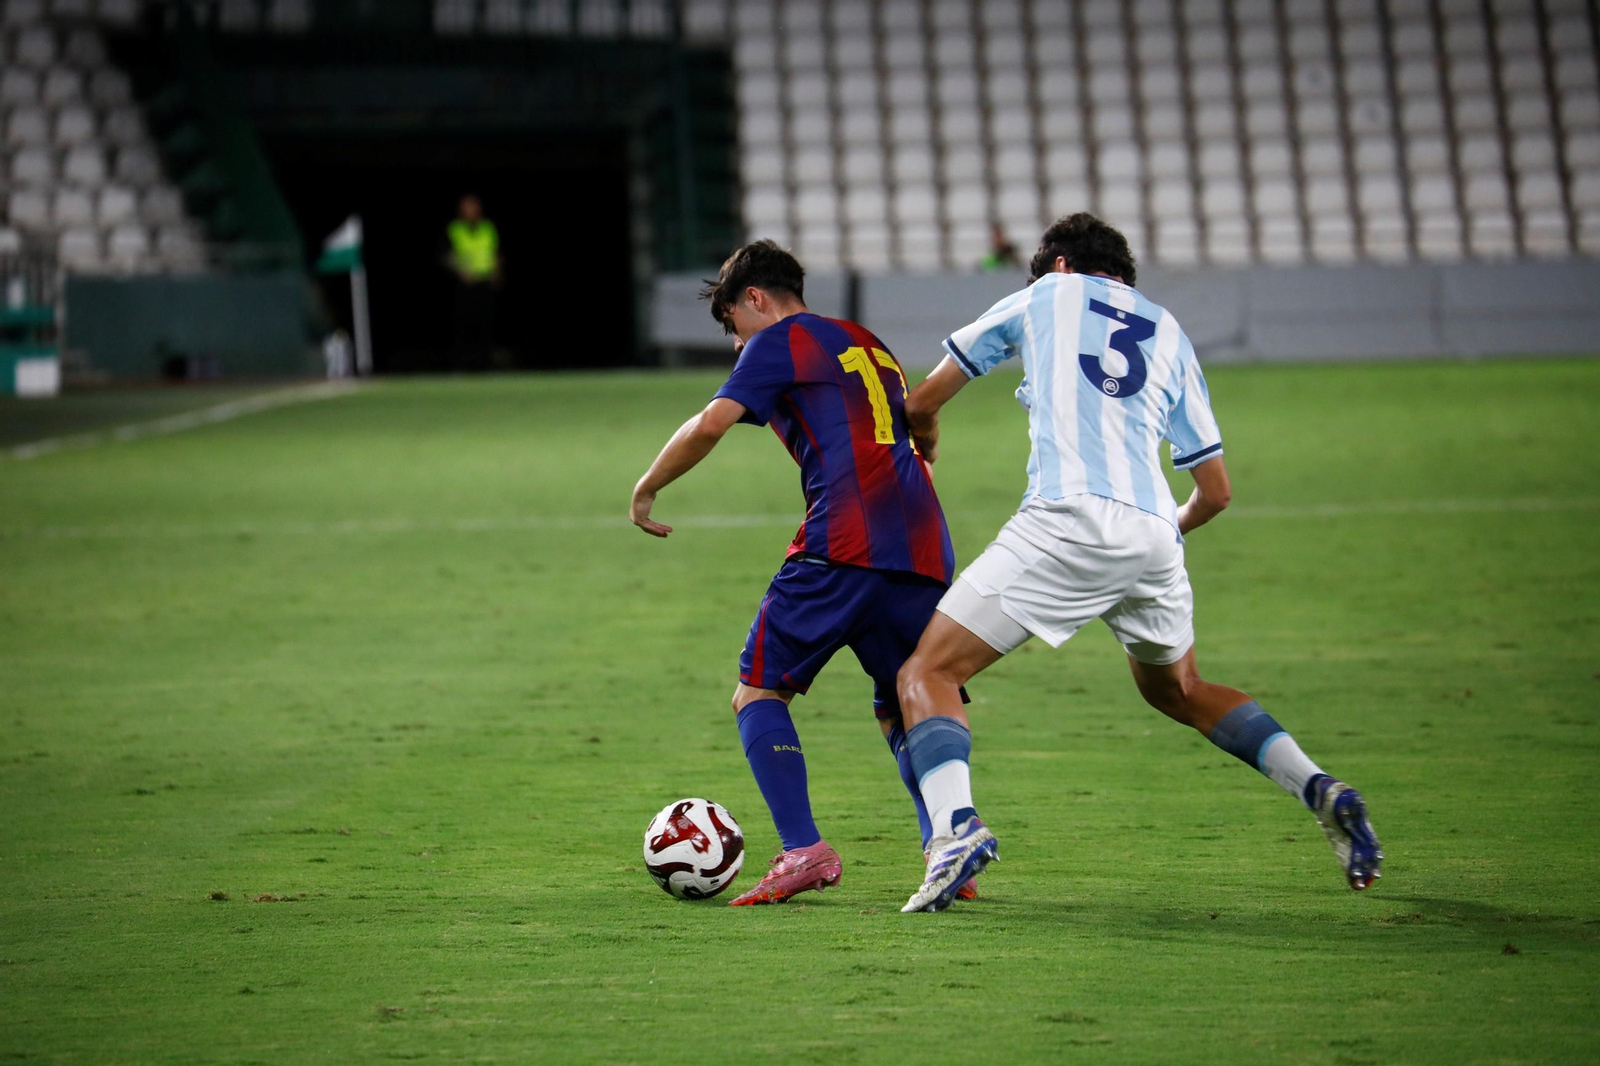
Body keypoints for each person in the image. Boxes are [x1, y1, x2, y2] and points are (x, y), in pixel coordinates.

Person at [892, 213, 1382, 913]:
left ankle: (954, 831)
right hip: (1154, 532)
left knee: (927, 672)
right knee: (1180, 689)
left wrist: (926, 435)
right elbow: (1216, 492)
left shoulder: (1047, 293)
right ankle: (1321, 789)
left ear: (1060, 265)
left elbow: (924, 398)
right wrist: (1156, 536)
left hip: (1068, 518)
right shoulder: (1170, 330)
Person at [629, 239, 977, 906]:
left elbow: (710, 424)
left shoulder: (777, 341)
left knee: (758, 692)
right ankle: (946, 847)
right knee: (907, 696)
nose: (738, 344)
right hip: (923, 543)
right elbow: (917, 420)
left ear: (755, 298)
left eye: (733, 324)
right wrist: (927, 445)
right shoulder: (867, 342)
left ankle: (803, 849)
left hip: (842, 540)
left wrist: (647, 487)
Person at [444, 195, 500, 369]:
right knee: (462, 324)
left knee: (487, 324)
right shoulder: (454, 229)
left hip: (485, 281)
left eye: (474, 207)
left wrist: (496, 273)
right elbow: (445, 255)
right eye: (467, 208)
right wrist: (459, 270)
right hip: (464, 284)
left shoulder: (488, 228)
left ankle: (486, 363)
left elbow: (495, 252)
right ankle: (462, 364)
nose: (471, 211)